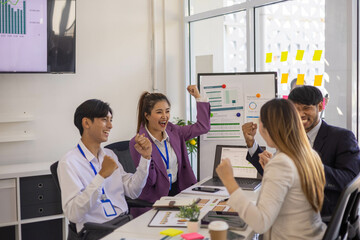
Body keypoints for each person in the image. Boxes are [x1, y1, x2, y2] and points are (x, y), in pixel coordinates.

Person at [242, 85, 360, 218]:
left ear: (320, 107)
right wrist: (252, 144)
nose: (300, 114)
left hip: (324, 216)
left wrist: (305, 166)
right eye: (295, 109)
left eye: (306, 108)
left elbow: (351, 180)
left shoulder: (341, 137)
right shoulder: (290, 136)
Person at [217, 99, 326, 239]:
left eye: (260, 122)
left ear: (268, 128)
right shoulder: (309, 154)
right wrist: (270, 168)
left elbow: (260, 223)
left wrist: (228, 181)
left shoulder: (281, 163)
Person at [58, 99, 152, 238]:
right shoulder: (69, 162)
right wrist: (101, 176)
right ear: (86, 123)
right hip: (97, 232)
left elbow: (133, 191)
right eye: (104, 120)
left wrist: (145, 159)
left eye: (111, 120)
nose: (110, 125)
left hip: (123, 223)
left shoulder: (109, 155)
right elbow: (74, 214)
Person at [129, 85, 211, 217]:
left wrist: (198, 97)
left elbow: (203, 127)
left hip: (179, 195)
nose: (165, 116)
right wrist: (147, 154)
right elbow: (150, 181)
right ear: (147, 116)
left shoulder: (175, 132)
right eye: (159, 112)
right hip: (153, 202)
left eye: (167, 111)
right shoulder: (138, 142)